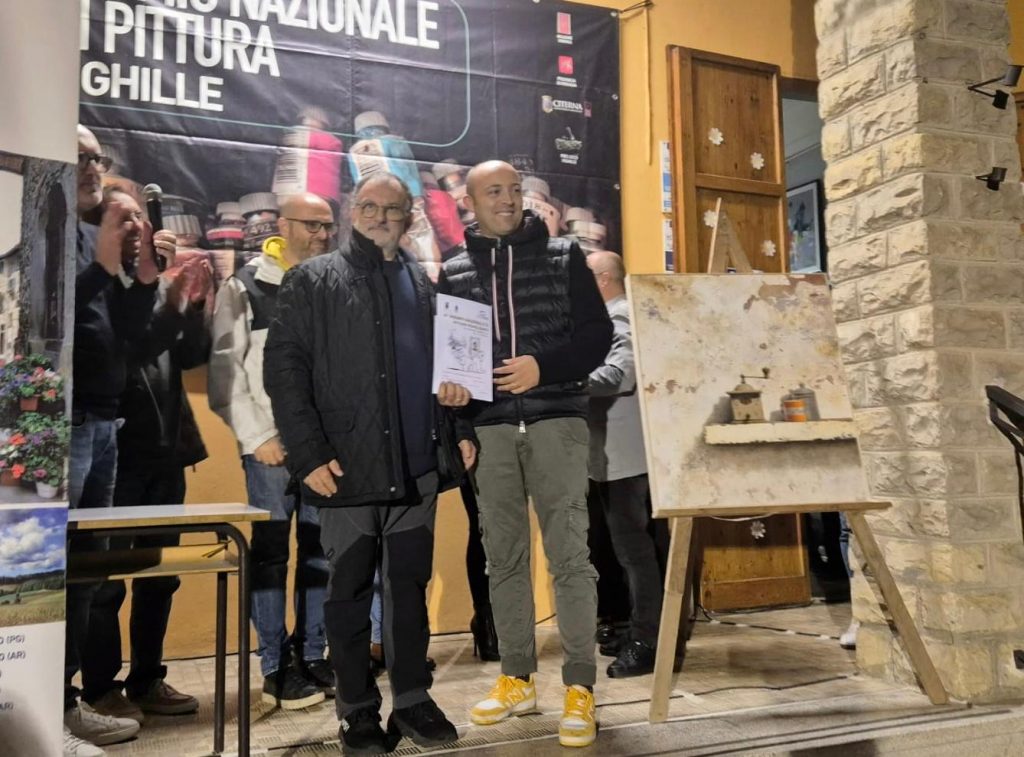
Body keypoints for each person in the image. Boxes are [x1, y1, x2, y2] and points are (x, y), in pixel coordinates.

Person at [264, 172, 474, 754]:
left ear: (409, 217)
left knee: (408, 590)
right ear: (353, 211)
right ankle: (356, 712)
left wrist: (458, 426)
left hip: (416, 467)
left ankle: (412, 701)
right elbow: (284, 372)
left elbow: (446, 370)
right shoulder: (311, 279)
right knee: (348, 594)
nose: (381, 217)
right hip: (346, 470)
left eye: (393, 209)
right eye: (369, 207)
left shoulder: (422, 284)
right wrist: (308, 454)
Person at [438, 160, 612, 748]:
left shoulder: (564, 256)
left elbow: (597, 337)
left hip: (556, 421)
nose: (508, 200)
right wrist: (458, 414)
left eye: (515, 190)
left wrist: (544, 367)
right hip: (489, 431)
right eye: (494, 191)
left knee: (571, 557)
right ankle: (517, 677)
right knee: (502, 559)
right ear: (470, 201)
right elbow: (451, 361)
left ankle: (580, 686)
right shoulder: (454, 271)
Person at [80, 187, 211, 724]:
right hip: (116, 451)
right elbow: (124, 353)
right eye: (125, 217)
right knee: (104, 582)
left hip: (167, 452)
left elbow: (192, 355)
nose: (137, 225)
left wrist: (192, 303)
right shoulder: (102, 289)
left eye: (141, 215)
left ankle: (148, 678)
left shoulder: (154, 285)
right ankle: (99, 687)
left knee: (161, 574)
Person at [64, 126, 175, 757]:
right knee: (47, 574)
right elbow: (38, 315)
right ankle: (34, 708)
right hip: (57, 424)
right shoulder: (32, 224)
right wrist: (106, 263)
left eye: (95, 158)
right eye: (77, 156)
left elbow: (126, 338)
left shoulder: (91, 237)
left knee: (84, 574)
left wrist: (151, 278)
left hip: (105, 423)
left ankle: (62, 703)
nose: (90, 168)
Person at [208, 193, 335, 709]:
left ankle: (313, 654)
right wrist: (257, 436)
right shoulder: (244, 286)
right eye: (311, 225)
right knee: (270, 554)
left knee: (321, 552)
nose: (322, 235)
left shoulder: (329, 284)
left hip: (322, 447)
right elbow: (225, 370)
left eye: (328, 226)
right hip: (271, 447)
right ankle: (274, 667)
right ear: (283, 225)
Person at [585, 251, 667, 678]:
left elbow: (622, 375)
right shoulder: (613, 316)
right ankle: (637, 629)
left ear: (603, 279)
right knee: (626, 550)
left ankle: (647, 642)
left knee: (634, 552)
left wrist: (565, 380)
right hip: (612, 454)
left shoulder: (621, 316)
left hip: (624, 456)